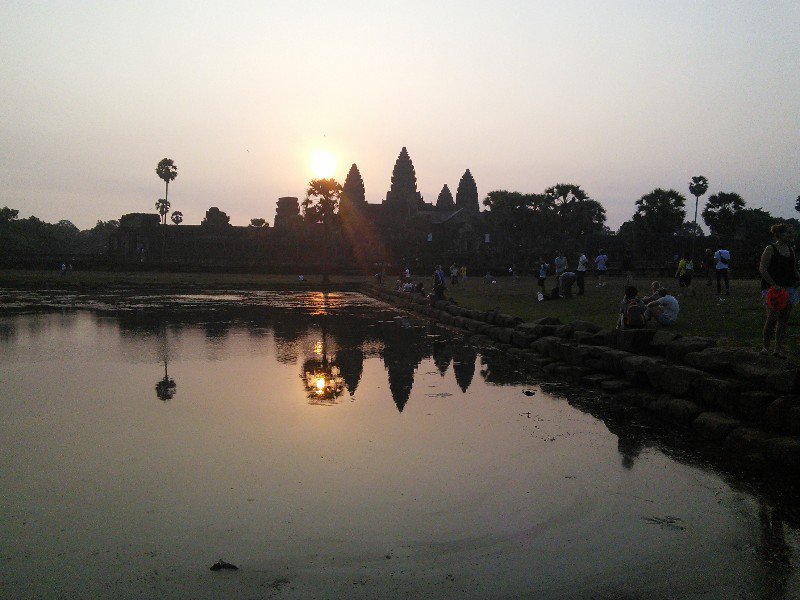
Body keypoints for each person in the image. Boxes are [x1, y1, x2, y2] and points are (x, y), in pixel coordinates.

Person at [759, 223, 800, 358]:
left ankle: (778, 348)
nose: (791, 235)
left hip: (789, 288)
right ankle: (765, 347)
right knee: (772, 318)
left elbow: (793, 270)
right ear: (780, 234)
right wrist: (773, 284)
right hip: (773, 289)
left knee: (784, 320)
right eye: (788, 233)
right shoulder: (770, 249)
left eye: (791, 232)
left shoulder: (791, 250)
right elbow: (763, 268)